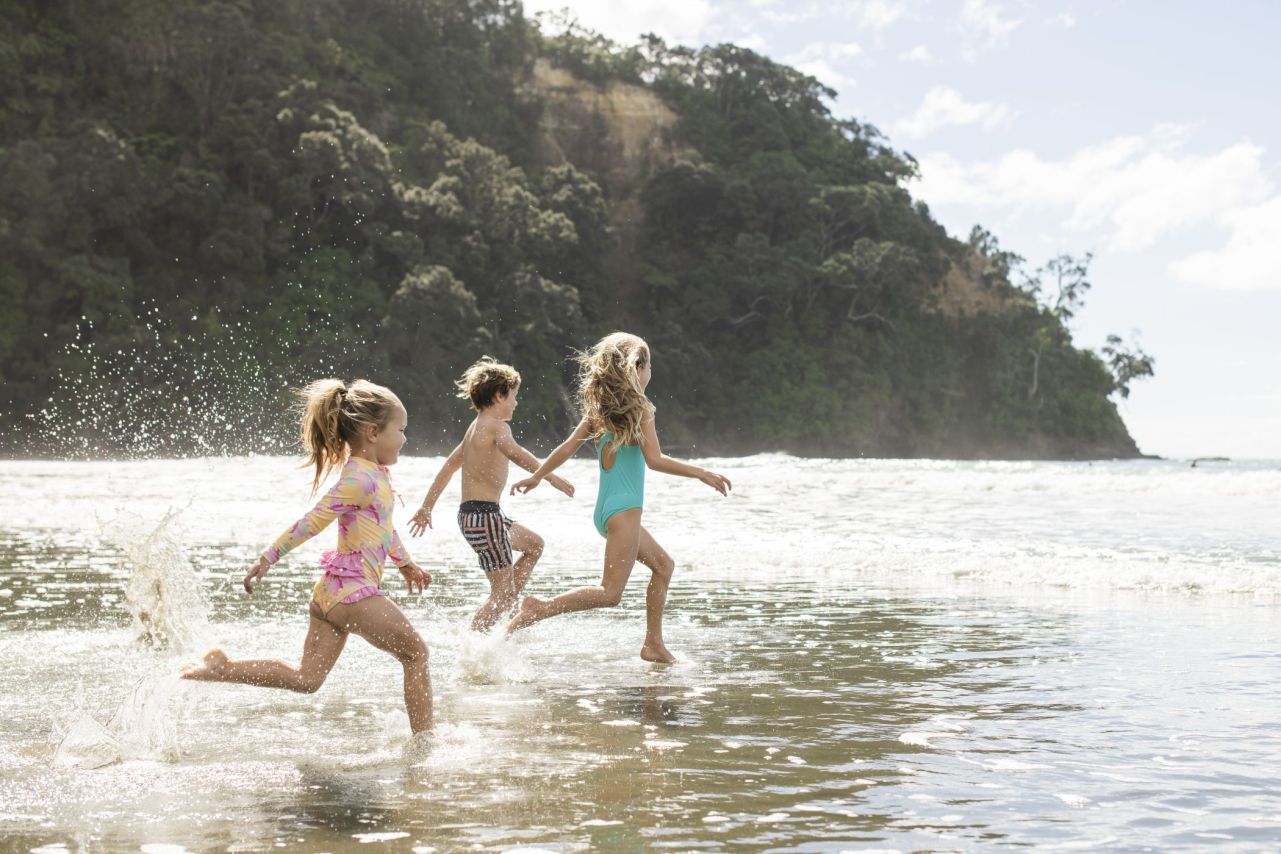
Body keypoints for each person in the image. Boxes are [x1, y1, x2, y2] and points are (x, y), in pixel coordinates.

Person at [183, 379, 434, 734]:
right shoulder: (358, 479)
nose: (405, 438)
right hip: (353, 594)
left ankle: (223, 668)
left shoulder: (375, 475)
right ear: (373, 432)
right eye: (401, 430)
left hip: (329, 595)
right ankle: (426, 742)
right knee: (416, 654)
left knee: (307, 679)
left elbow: (384, 525)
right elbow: (312, 522)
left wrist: (404, 562)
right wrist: (269, 556)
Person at [507, 333, 731, 663]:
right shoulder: (641, 409)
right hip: (625, 512)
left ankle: (653, 644)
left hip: (609, 512)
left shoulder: (598, 410)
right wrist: (701, 473)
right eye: (649, 364)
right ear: (638, 367)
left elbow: (567, 447)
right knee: (610, 593)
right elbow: (655, 459)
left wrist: (538, 476)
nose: (650, 371)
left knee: (664, 566)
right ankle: (540, 608)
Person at [409, 357, 574, 632]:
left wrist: (427, 507)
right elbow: (517, 453)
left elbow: (448, 468)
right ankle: (475, 646)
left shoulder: (474, 428)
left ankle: (506, 609)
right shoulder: (497, 427)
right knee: (500, 594)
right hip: (485, 517)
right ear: (499, 395)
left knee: (534, 545)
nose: (516, 403)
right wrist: (550, 476)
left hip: (476, 516)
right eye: (514, 397)